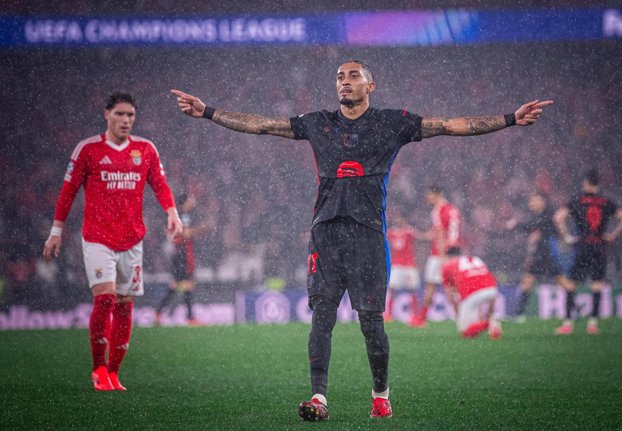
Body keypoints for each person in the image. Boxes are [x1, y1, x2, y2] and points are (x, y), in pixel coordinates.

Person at [171, 60, 552, 420]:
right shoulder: (318, 123)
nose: (345, 81)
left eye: (353, 75)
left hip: (368, 235)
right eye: (339, 76)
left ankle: (381, 396)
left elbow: (451, 125)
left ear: (371, 85)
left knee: (371, 321)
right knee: (321, 316)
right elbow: (262, 125)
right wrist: (208, 111)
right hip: (325, 232)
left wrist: (509, 120)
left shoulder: (393, 123)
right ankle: (319, 397)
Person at [43, 92, 183, 391]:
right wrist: (56, 230)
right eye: (120, 114)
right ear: (107, 114)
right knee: (105, 298)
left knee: (125, 304)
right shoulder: (88, 150)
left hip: (132, 239)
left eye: (130, 115)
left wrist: (172, 213)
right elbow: (67, 192)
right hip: (97, 238)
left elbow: (159, 184)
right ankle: (98, 368)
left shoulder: (145, 149)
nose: (126, 120)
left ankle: (114, 373)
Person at [553, 169, 622, 335]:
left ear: (586, 182)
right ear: (598, 183)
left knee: (571, 284)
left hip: (582, 246)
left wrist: (567, 236)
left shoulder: (577, 200)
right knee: (597, 286)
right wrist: (612, 235)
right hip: (599, 246)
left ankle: (568, 324)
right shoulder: (605, 202)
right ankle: (592, 324)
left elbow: (558, 218)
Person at [505, 192, 568, 322]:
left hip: (547, 255)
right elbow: (535, 228)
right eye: (531, 201)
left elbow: (533, 226)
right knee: (527, 282)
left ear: (542, 201)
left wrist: (517, 224)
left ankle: (575, 309)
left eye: (534, 200)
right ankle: (519, 315)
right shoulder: (540, 215)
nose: (531, 203)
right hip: (541, 255)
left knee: (562, 282)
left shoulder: (548, 214)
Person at [409, 185, 462, 328]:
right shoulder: (453, 209)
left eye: (429, 195)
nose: (427, 198)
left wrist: (442, 256)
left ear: (437, 194)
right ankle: (462, 318)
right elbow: (450, 232)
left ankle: (423, 319)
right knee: (447, 288)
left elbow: (440, 234)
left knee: (440, 288)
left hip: (440, 254)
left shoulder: (438, 210)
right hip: (454, 251)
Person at [155, 192, 209, 326]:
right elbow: (184, 233)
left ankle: (160, 314)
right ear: (184, 202)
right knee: (183, 285)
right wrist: (202, 228)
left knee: (180, 285)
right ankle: (189, 318)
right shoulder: (182, 216)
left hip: (182, 255)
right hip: (182, 256)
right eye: (190, 199)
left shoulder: (184, 215)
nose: (193, 200)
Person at [442, 254, 502, 339]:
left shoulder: (446, 266)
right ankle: (490, 323)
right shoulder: (474, 258)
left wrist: (459, 315)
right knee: (474, 327)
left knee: (465, 332)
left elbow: (450, 295)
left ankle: (488, 323)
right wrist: (490, 312)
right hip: (491, 287)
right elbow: (487, 277)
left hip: (471, 291)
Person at [384, 212, 422, 322]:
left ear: (404, 220)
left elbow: (420, 239)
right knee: (392, 290)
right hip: (396, 265)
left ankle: (415, 315)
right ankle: (389, 315)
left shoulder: (409, 231)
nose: (398, 221)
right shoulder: (391, 232)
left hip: (409, 266)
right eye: (397, 219)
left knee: (413, 290)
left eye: (400, 219)